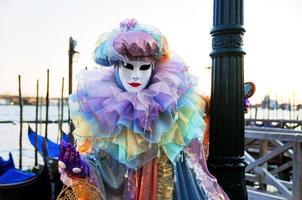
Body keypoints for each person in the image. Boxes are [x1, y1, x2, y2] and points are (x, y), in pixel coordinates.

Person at [57, 18, 229, 200]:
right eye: (128, 67)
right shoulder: (103, 107)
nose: (136, 75)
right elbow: (102, 162)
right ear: (115, 67)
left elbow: (196, 149)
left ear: (154, 68)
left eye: (144, 67)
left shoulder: (175, 103)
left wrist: (226, 105)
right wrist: (83, 170)